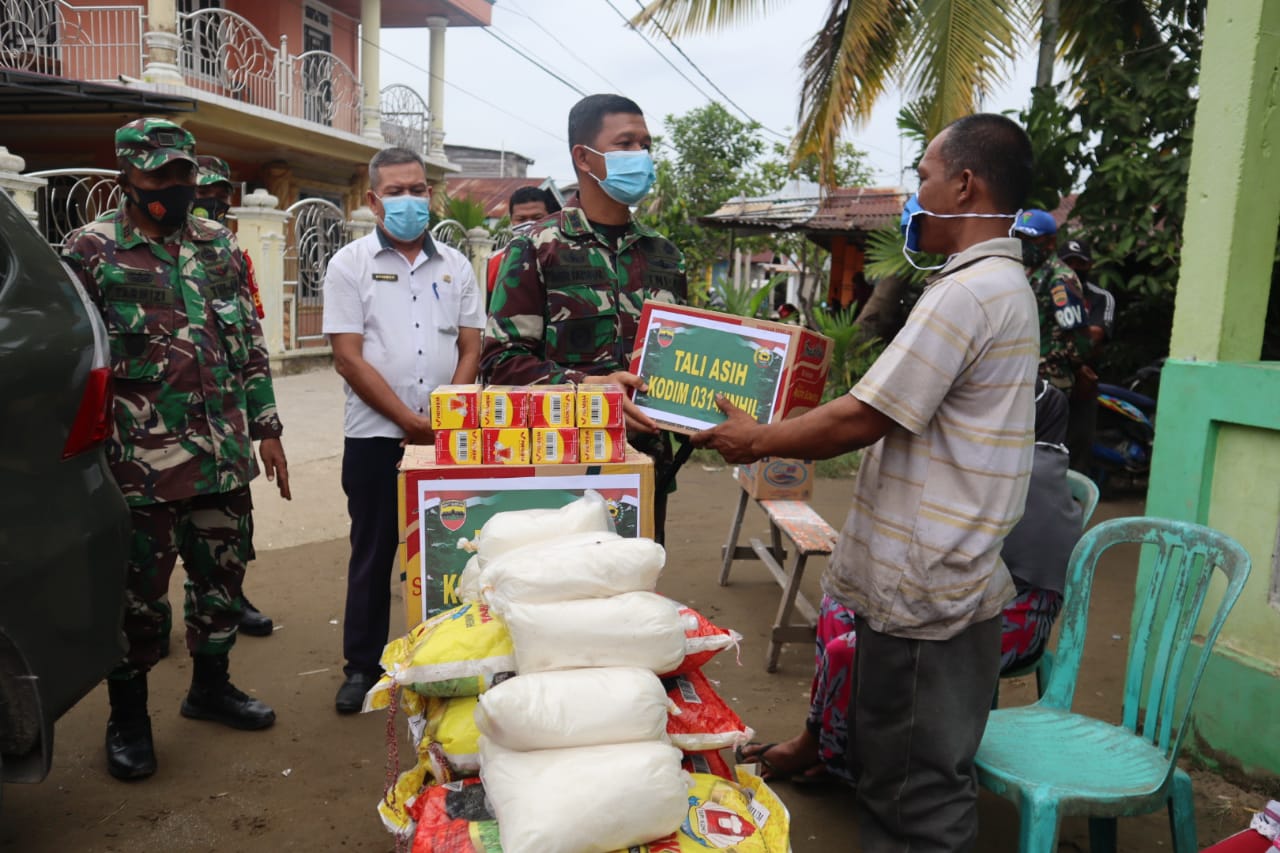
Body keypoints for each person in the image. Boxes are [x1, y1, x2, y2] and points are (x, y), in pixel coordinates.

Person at [693, 113, 1039, 851]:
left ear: (964, 184)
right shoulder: (996, 283)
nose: (917, 193)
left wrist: (754, 439)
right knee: (918, 770)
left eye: (923, 177)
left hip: (928, 587)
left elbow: (862, 417)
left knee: (912, 790)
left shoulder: (968, 294)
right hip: (954, 574)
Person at [62, 118, 290, 781]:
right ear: (126, 177)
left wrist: (268, 426)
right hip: (138, 468)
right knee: (139, 602)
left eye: (183, 173)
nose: (175, 186)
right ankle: (128, 718)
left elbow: (246, 343)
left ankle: (209, 688)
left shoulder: (218, 246)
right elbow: (75, 362)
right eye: (160, 175)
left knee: (221, 585)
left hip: (220, 458)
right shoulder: (89, 251)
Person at [738, 379, 1083, 786]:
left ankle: (834, 756)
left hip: (1006, 619)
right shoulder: (1000, 463)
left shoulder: (1017, 475)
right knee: (839, 604)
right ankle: (832, 743)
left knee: (854, 648)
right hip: (957, 598)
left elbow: (940, 562)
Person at [481, 93, 688, 543]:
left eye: (646, 145)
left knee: (637, 596)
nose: (642, 157)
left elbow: (679, 363)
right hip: (560, 469)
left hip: (644, 467)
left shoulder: (666, 256)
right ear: (584, 157)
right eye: (627, 144)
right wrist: (586, 386)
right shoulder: (537, 247)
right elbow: (500, 363)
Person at [322, 146, 485, 714]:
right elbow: (348, 357)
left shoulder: (457, 267)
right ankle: (361, 667)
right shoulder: (349, 264)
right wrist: (408, 421)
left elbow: (471, 346)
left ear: (431, 194)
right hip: (374, 438)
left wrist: (444, 414)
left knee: (453, 551)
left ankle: (451, 659)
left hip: (446, 435)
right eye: (395, 191)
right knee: (372, 553)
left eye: (417, 188)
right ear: (373, 200)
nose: (409, 200)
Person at [188, 154, 274, 638]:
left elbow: (249, 332)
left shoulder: (229, 251)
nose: (214, 201)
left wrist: (265, 424)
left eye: (222, 193)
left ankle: (231, 599)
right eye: (206, 191)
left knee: (230, 529)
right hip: (156, 428)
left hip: (225, 418)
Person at [1012, 209, 1093, 396]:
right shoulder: (1024, 271)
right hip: (1022, 372)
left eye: (1031, 239)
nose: (1024, 244)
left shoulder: (1060, 279)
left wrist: (1075, 368)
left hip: (1049, 378)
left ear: (1050, 242)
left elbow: (1079, 337)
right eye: (1020, 237)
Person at [1058, 239, 1116, 472]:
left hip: (1084, 382)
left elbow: (1096, 335)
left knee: (1079, 447)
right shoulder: (1044, 291)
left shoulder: (1101, 297)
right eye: (1068, 262)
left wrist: (1061, 332)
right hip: (1049, 380)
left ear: (1090, 265)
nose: (1074, 268)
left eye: (1079, 263)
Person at [485, 186, 561, 301]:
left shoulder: (564, 255)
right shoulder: (496, 261)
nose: (529, 224)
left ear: (550, 217)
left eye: (537, 218)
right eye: (521, 219)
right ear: (511, 220)